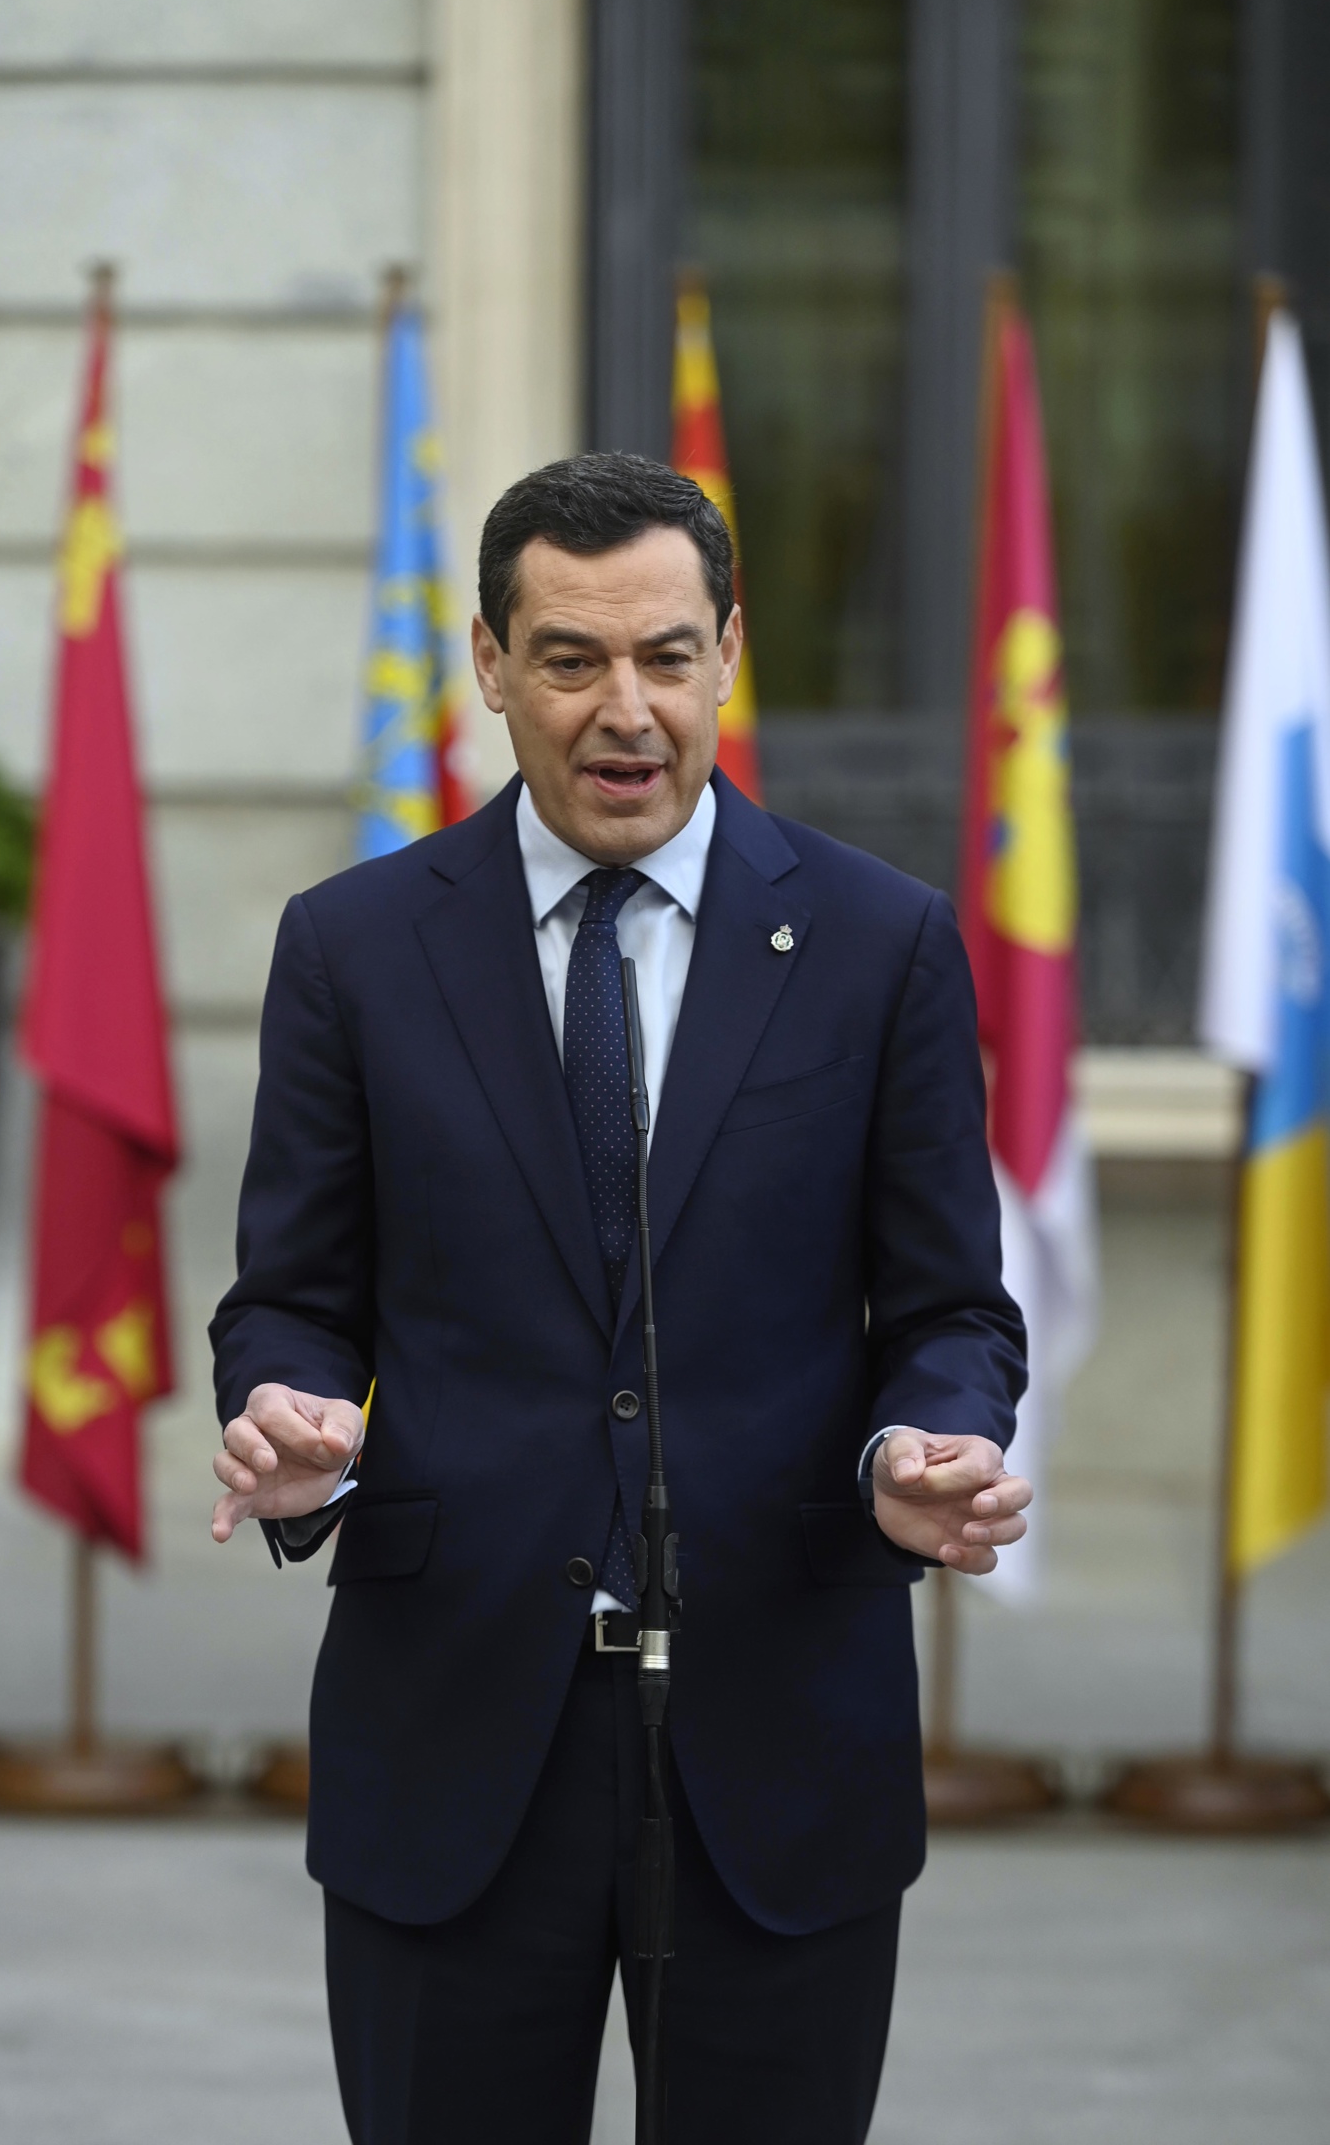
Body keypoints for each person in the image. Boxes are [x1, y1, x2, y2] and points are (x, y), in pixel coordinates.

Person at [209, 453, 1028, 2145]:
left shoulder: (877, 942)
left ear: (727, 652)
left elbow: (953, 1307)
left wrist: (920, 1444)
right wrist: (291, 1416)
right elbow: (291, 1296)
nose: (624, 709)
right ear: (491, 667)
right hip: (451, 1734)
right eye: (570, 659)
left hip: (777, 1724)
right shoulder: (355, 946)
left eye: (664, 655)